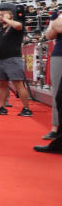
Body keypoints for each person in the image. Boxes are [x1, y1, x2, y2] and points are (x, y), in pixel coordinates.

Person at [0, 5, 33, 117]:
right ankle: (2, 107)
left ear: (10, 15)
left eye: (3, 14)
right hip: (0, 59)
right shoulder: (2, 29)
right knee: (1, 84)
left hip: (13, 58)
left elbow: (19, 25)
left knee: (18, 84)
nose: (0, 17)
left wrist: (7, 19)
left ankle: (26, 108)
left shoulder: (16, 26)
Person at [34, 8, 62, 154]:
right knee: (58, 94)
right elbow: (50, 33)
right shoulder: (57, 12)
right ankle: (56, 129)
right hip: (59, 53)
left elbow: (57, 27)